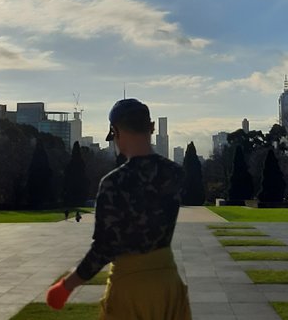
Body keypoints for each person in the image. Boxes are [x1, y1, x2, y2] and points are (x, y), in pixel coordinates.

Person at [46, 98, 191, 319]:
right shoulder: (175, 173)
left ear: (116, 132)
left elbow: (104, 249)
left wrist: (66, 286)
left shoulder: (113, 183)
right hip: (168, 284)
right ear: (151, 127)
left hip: (129, 288)